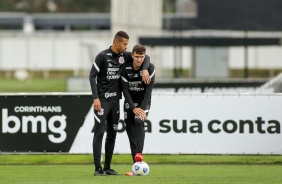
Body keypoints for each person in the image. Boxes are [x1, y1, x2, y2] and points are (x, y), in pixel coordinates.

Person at [89, 31, 151, 176]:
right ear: (116, 43)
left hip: (116, 101)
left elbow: (144, 56)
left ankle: (108, 167)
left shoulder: (125, 56)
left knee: (112, 134)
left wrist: (145, 69)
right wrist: (95, 98)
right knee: (99, 133)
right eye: (125, 44)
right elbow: (92, 76)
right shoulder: (102, 56)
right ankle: (98, 168)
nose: (126, 47)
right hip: (103, 101)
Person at [120, 44, 155, 176]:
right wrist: (133, 108)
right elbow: (125, 91)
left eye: (142, 57)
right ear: (132, 56)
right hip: (129, 104)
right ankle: (136, 169)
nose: (139, 59)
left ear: (144, 57)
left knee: (139, 121)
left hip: (143, 103)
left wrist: (141, 108)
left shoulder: (150, 68)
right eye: (137, 57)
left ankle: (139, 154)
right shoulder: (126, 69)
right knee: (131, 135)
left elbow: (148, 92)